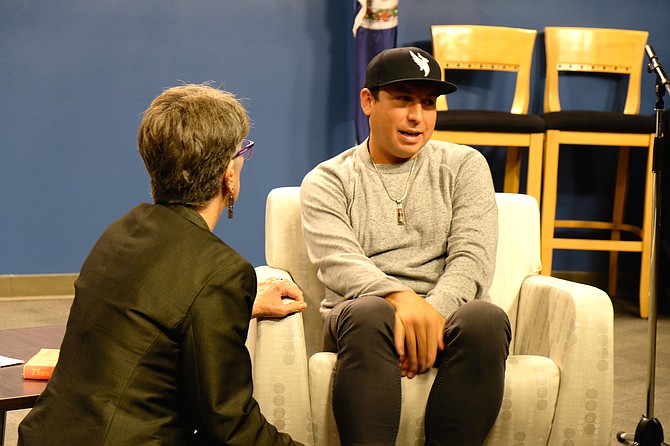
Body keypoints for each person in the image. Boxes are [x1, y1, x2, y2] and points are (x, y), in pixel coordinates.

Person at [18, 84, 306, 446]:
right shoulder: (222, 271)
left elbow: (153, 318)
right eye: (242, 152)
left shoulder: (124, 230)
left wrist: (240, 305)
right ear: (227, 175)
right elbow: (230, 428)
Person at [300, 47, 512, 445]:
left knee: (485, 318)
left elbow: (473, 258)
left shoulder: (464, 165)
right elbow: (338, 262)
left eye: (428, 103)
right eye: (403, 100)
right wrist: (400, 297)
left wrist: (429, 315)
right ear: (368, 101)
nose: (417, 116)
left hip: (446, 315)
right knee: (370, 313)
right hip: (360, 316)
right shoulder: (329, 179)